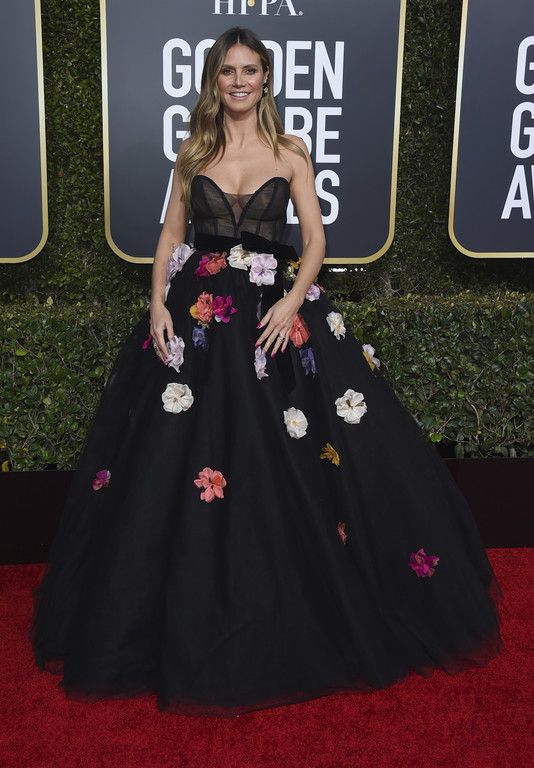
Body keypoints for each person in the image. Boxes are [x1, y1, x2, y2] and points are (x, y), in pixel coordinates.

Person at [29, 26, 504, 718]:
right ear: (214, 81)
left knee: (294, 451)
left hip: (271, 317)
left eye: (250, 71)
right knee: (174, 455)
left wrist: (290, 300)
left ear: (265, 80)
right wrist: (157, 302)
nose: (239, 82)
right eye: (229, 71)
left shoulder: (290, 151)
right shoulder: (194, 153)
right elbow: (171, 235)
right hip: (199, 317)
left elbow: (314, 239)